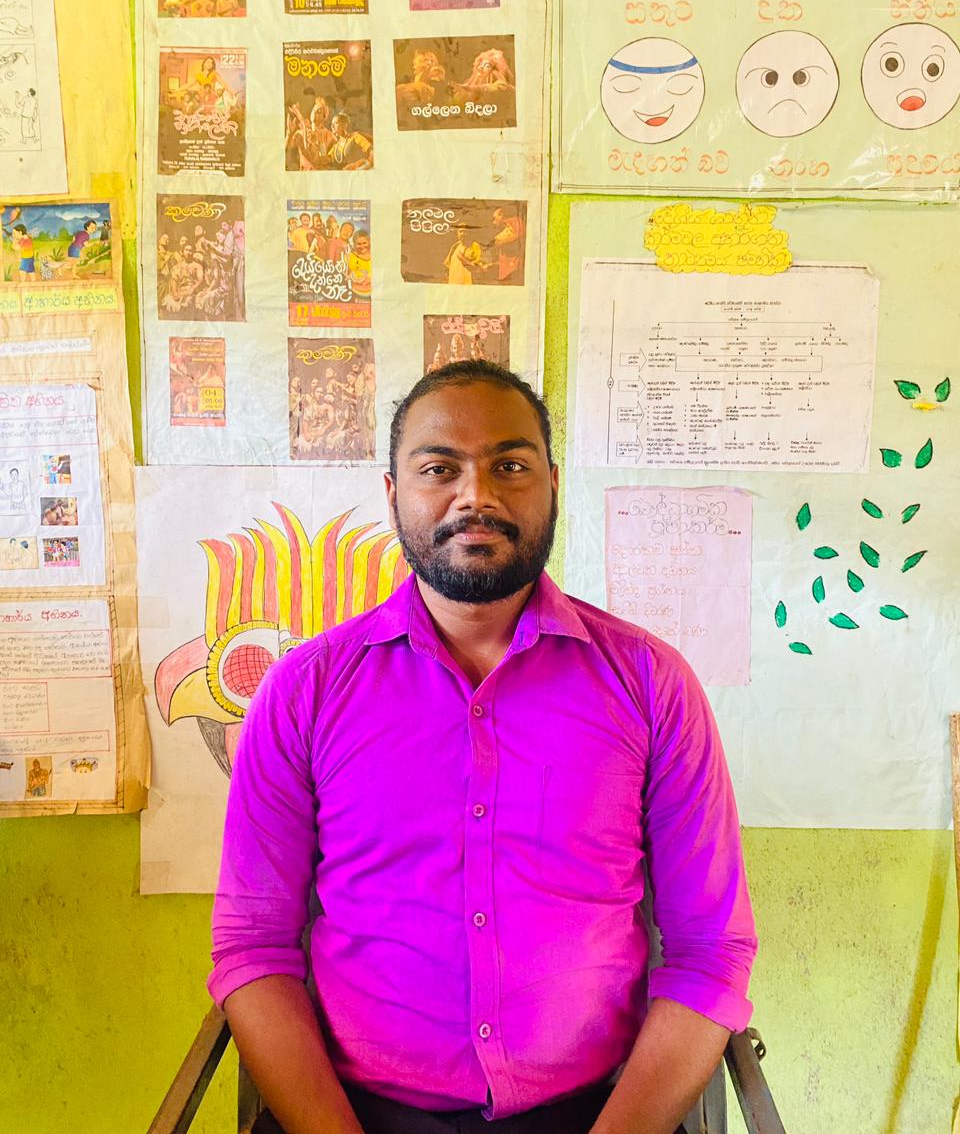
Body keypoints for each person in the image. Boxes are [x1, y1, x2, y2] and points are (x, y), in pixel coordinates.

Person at [209, 360, 757, 1134]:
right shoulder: (305, 692)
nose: (476, 496)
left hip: (598, 1112)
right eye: (440, 469)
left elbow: (710, 949)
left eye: (510, 466)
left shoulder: (650, 684)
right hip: (355, 1114)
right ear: (393, 493)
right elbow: (252, 945)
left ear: (553, 486)